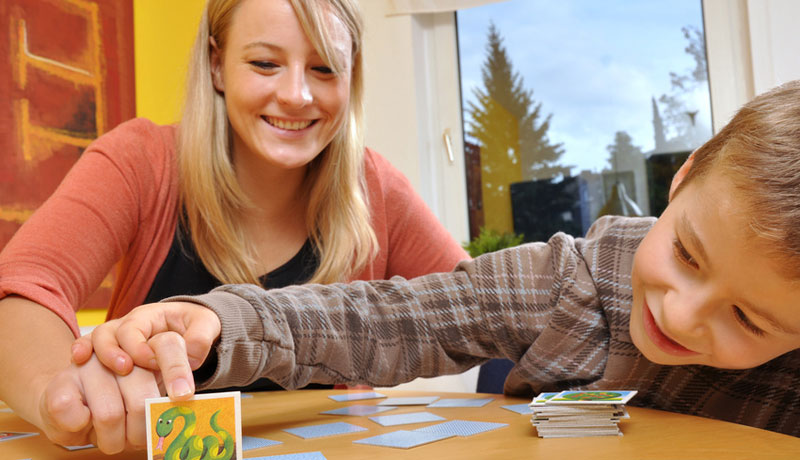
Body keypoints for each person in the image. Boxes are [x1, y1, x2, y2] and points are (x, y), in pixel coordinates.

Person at [77, 80, 800, 438]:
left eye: (747, 318)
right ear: (686, 172)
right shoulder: (574, 279)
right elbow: (391, 317)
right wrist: (218, 320)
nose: (681, 312)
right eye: (686, 254)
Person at [0, 0, 467, 454]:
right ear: (217, 64)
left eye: (324, 69)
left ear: (352, 77)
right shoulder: (140, 162)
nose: (297, 95)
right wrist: (51, 391)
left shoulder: (376, 188)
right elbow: (21, 289)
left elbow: (481, 310)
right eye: (265, 63)